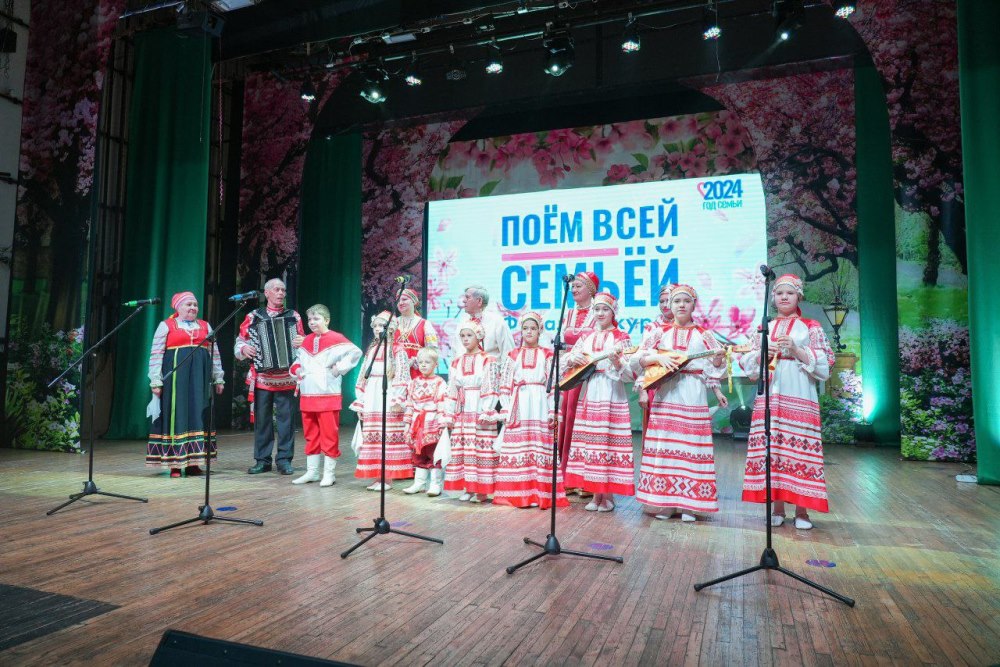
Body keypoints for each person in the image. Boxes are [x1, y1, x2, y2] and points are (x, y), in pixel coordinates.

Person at [740, 273, 833, 530]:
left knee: (799, 447)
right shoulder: (764, 327)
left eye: (790, 293)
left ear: (799, 296)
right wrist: (761, 354)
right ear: (772, 298)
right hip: (771, 392)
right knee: (773, 447)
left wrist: (796, 350)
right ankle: (777, 508)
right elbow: (747, 363)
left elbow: (826, 362)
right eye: (779, 293)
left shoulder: (810, 326)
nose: (784, 297)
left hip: (798, 389)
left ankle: (802, 511)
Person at [632, 284, 727, 522]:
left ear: (694, 305)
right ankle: (665, 502)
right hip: (667, 393)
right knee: (665, 445)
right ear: (670, 305)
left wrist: (718, 360)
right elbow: (638, 358)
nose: (681, 305)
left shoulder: (704, 334)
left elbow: (715, 367)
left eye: (686, 301)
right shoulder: (659, 332)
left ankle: (689, 505)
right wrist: (658, 357)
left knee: (691, 447)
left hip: (693, 392)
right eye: (676, 301)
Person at [563, 291, 636, 512]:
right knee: (592, 443)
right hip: (592, 391)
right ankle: (596, 495)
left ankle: (608, 496)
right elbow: (568, 361)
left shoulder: (621, 337)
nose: (600, 313)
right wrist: (572, 358)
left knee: (608, 442)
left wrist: (617, 362)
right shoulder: (587, 337)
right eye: (597, 309)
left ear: (613, 312)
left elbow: (630, 373)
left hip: (612, 393)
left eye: (605, 309)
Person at [493, 312, 568, 510]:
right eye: (525, 328)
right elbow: (505, 384)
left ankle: (539, 493)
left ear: (539, 331)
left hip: (539, 402)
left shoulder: (547, 354)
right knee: (521, 448)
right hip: (520, 404)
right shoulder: (512, 355)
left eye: (533, 328)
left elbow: (554, 384)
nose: (529, 332)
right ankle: (520, 494)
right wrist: (506, 408)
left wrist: (553, 410)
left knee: (538, 446)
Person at [146, 291, 224, 478]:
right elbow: (156, 353)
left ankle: (194, 463)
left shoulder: (205, 326)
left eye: (195, 305)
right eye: (188, 305)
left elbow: (215, 353)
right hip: (176, 379)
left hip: (199, 378)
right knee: (177, 415)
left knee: (198, 414)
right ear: (178, 307)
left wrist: (218, 377)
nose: (193, 308)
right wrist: (155, 380)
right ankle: (175, 464)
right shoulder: (166, 325)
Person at [234, 278, 304, 475]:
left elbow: (303, 341)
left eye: (283, 290)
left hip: (286, 377)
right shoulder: (253, 316)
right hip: (262, 377)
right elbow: (240, 341)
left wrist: (302, 341)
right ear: (267, 293)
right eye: (277, 290)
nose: (281, 293)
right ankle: (262, 460)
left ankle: (284, 460)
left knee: (286, 421)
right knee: (262, 421)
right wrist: (244, 348)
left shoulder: (293, 316)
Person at [288, 305, 362, 487]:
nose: (312, 323)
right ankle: (312, 472)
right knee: (311, 434)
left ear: (326, 320)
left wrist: (339, 368)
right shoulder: (306, 341)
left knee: (329, 434)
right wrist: (296, 370)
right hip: (308, 393)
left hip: (328, 394)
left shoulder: (336, 338)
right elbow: (298, 361)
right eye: (310, 320)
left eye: (317, 319)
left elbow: (356, 352)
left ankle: (329, 473)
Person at [350, 311, 413, 489]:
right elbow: (363, 376)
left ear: (390, 328)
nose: (377, 329)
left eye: (381, 326)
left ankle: (387, 478)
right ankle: (377, 477)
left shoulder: (397, 350)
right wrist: (361, 399)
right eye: (375, 326)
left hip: (388, 393)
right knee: (374, 435)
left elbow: (402, 375)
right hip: (372, 395)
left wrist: (397, 398)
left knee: (387, 435)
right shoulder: (372, 350)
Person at [442, 320, 500, 502]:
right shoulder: (456, 361)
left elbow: (491, 385)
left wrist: (487, 409)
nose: (465, 339)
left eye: (469, 335)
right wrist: (450, 412)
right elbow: (452, 388)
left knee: (480, 447)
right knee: (464, 448)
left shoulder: (488, 360)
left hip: (479, 406)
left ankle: (481, 490)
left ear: (479, 336)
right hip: (463, 408)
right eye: (462, 336)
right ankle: (468, 487)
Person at [557, 272, 600, 476]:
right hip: (568, 370)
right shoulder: (568, 314)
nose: (573, 290)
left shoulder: (599, 313)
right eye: (572, 286)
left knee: (580, 418)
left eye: (578, 286)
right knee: (565, 417)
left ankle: (581, 475)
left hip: (588, 373)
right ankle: (564, 473)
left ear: (590, 290)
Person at [401, 347, 448, 496]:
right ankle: (419, 483)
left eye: (427, 362)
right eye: (420, 362)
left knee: (433, 453)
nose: (423, 365)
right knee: (418, 453)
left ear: (435, 364)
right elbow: (409, 404)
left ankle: (435, 484)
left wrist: (442, 425)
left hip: (432, 421)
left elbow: (442, 404)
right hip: (417, 423)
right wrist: (407, 424)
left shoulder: (439, 382)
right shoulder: (413, 382)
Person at [638, 284, 675, 433]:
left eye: (669, 301)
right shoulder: (652, 328)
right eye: (662, 301)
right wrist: (643, 391)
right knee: (655, 433)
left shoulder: (691, 328)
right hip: (656, 385)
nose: (665, 305)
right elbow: (642, 358)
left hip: (681, 385)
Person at [457, 285, 514, 362]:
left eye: (467, 297)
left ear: (479, 301)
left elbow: (508, 353)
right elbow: (456, 352)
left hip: (492, 368)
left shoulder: (497, 322)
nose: (463, 300)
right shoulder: (462, 323)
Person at [392, 288, 439, 381]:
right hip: (396, 372)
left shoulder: (425, 324)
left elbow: (432, 350)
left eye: (404, 299)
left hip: (417, 372)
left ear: (414, 301)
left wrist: (417, 361)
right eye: (398, 300)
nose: (400, 303)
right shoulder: (393, 323)